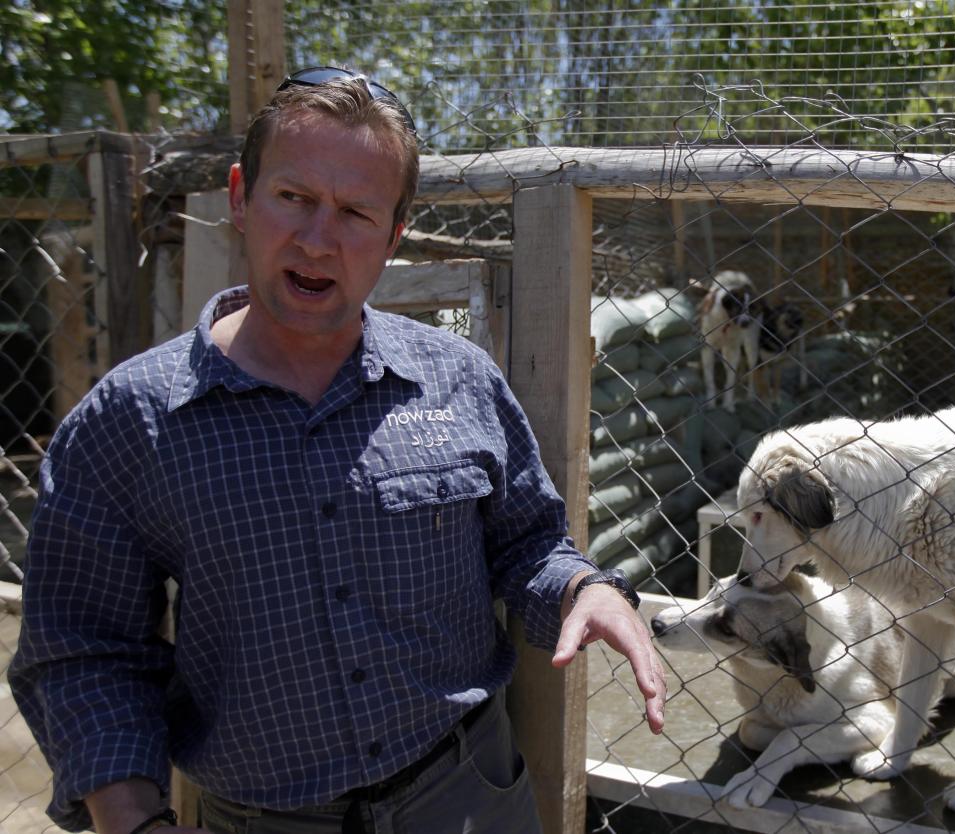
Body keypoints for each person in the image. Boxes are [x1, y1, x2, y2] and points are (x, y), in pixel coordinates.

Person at [10, 67, 665, 834]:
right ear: (239, 198)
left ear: (392, 235)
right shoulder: (133, 420)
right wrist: (133, 819)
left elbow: (527, 544)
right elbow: (84, 649)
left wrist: (581, 587)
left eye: (356, 212)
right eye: (293, 198)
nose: (318, 240)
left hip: (467, 796)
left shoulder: (456, 378)